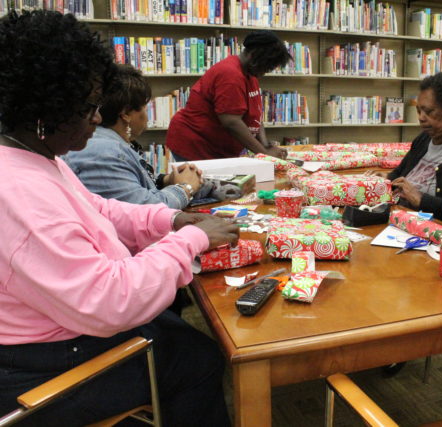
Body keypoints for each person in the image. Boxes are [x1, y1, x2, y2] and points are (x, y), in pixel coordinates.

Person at [0, 10, 237, 426]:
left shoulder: (34, 155)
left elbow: (98, 209)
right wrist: (192, 241)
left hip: (64, 327)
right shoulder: (19, 194)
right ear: (46, 107)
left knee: (180, 331)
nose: (97, 118)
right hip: (45, 362)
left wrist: (171, 221)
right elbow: (111, 300)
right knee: (200, 359)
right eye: (89, 107)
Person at [64, 64, 205, 210]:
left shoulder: (110, 143)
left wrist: (166, 180)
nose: (146, 115)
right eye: (145, 107)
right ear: (126, 114)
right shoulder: (104, 152)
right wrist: (185, 187)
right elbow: (146, 209)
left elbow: (132, 185)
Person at [367, 72, 442, 220]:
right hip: (398, 216)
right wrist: (386, 178)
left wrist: (421, 199)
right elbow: (401, 172)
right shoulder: (424, 138)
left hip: (430, 227)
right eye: (419, 111)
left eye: (429, 111)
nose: (421, 117)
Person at [166, 30, 291, 161]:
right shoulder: (230, 74)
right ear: (253, 56)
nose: (266, 72)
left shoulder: (250, 74)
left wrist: (266, 146)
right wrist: (264, 153)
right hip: (195, 143)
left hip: (215, 147)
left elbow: (256, 116)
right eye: (267, 66)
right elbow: (231, 122)